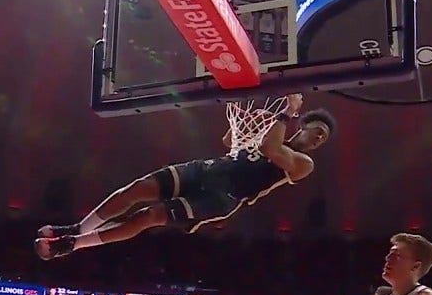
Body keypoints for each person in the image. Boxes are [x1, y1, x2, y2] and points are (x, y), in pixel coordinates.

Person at [34, 94, 335, 257]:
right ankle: (77, 227)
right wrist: (245, 123)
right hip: (210, 169)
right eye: (318, 131)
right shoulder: (276, 130)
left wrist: (286, 112)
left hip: (223, 196)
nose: (319, 139)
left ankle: (74, 244)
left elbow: (271, 149)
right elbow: (230, 143)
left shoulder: (303, 163)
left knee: (149, 216)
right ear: (304, 128)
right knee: (137, 188)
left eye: (324, 139)